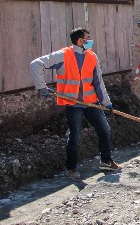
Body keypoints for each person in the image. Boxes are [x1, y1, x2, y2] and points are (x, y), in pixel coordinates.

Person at [30, 27, 120, 180]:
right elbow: (36, 64)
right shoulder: (63, 55)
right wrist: (41, 87)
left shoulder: (92, 57)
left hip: (91, 103)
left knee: (104, 130)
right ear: (80, 41)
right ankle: (71, 168)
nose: (90, 41)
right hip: (73, 104)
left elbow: (98, 82)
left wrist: (106, 102)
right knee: (75, 136)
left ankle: (106, 161)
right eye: (88, 38)